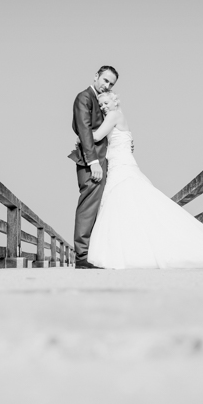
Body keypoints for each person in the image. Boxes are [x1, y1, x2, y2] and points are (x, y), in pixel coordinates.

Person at [86, 91, 203, 269]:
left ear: (115, 102)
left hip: (122, 167)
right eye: (101, 105)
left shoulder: (114, 115)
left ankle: (129, 253)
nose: (103, 107)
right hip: (120, 165)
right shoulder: (119, 117)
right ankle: (132, 251)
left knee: (124, 203)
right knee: (130, 207)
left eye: (106, 103)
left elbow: (96, 136)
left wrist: (81, 132)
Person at [68, 66, 118, 269]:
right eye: (105, 80)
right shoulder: (84, 97)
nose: (107, 85)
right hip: (92, 163)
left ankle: (92, 254)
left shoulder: (98, 100)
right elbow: (84, 130)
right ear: (96, 76)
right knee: (88, 207)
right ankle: (82, 257)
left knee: (97, 207)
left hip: (101, 160)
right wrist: (93, 162)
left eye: (111, 84)